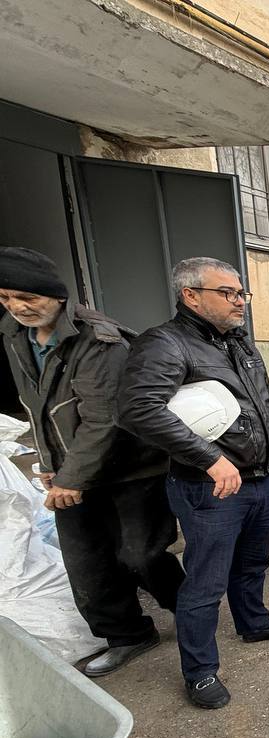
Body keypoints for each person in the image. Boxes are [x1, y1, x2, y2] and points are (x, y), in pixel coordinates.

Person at [117, 257, 269, 710]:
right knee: (205, 582)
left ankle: (254, 622)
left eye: (242, 293)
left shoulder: (238, 341)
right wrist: (209, 459)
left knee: (253, 562)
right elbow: (138, 409)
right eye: (228, 293)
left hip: (258, 480)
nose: (240, 301)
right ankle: (200, 672)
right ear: (191, 295)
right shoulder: (164, 343)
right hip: (210, 488)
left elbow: (266, 403)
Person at [0, 247, 184, 677]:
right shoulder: (13, 333)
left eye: (28, 297)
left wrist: (70, 478)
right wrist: (49, 463)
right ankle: (127, 634)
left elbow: (104, 420)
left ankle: (189, 606)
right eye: (6, 297)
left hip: (130, 468)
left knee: (141, 554)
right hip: (70, 469)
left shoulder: (100, 341)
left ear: (57, 295)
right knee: (86, 562)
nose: (17, 306)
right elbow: (37, 406)